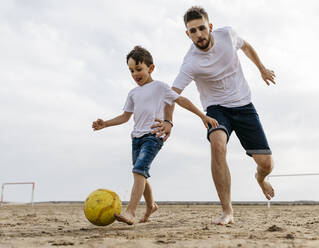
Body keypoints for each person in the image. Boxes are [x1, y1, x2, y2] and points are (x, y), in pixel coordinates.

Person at [152, 6, 276, 225]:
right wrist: (168, 121)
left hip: (244, 104)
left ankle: (260, 177)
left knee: (266, 164)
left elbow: (246, 47)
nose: (198, 34)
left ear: (210, 27)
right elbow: (171, 94)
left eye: (201, 28)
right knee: (217, 145)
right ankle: (227, 211)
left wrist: (262, 69)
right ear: (187, 34)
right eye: (193, 31)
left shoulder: (227, 35)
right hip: (216, 109)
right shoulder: (190, 62)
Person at [92, 46, 218, 225]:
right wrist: (105, 124)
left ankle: (130, 212)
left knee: (138, 170)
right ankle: (151, 205)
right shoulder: (133, 93)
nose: (135, 74)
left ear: (150, 68)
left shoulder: (160, 87)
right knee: (140, 173)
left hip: (153, 136)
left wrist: (202, 116)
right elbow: (125, 117)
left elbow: (181, 100)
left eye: (138, 69)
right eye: (131, 71)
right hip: (136, 138)